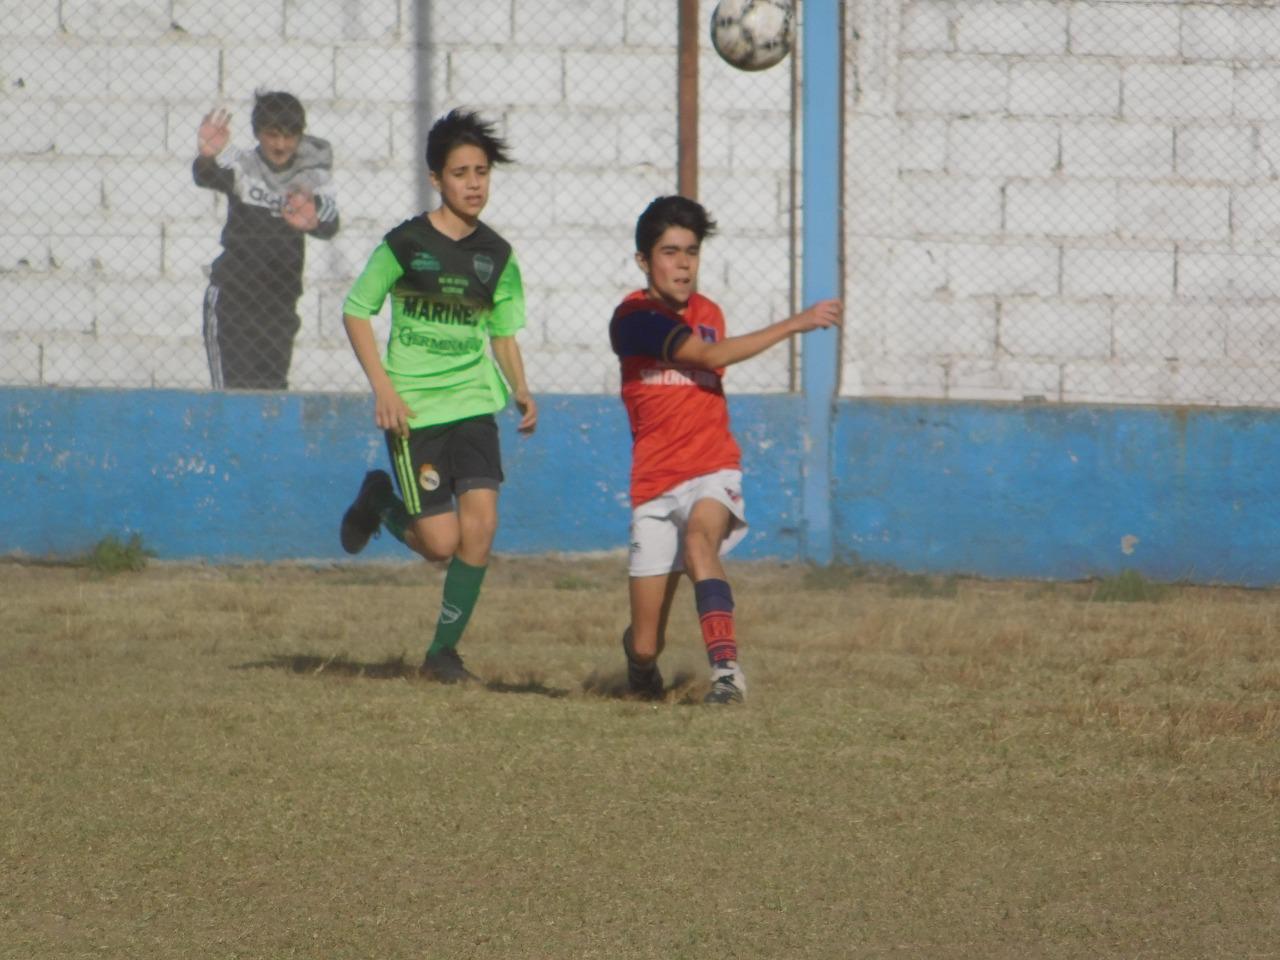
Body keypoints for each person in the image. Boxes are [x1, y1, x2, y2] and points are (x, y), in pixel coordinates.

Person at [609, 195, 841, 704]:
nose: (684, 264)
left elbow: (708, 364)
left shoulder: (709, 311)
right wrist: (794, 323)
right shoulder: (632, 318)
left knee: (700, 543)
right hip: (654, 483)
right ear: (643, 260)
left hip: (712, 466)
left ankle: (727, 674)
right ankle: (640, 665)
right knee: (646, 645)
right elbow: (708, 355)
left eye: (692, 251)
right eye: (670, 252)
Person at [337, 108, 537, 684]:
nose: (473, 184)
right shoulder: (406, 243)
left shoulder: (497, 256)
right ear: (436, 179)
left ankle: (442, 654)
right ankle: (379, 500)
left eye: (482, 172)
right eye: (460, 173)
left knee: (482, 526)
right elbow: (356, 311)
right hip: (414, 411)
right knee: (440, 544)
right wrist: (384, 388)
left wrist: (520, 388)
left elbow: (503, 332)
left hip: (473, 404)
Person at [194, 90, 340, 390]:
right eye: (272, 135)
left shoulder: (310, 176)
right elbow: (207, 176)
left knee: (273, 394)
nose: (280, 144)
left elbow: (329, 221)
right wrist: (207, 156)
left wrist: (314, 221)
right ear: (258, 134)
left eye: (289, 136)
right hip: (234, 299)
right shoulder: (245, 169)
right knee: (232, 393)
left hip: (279, 301)